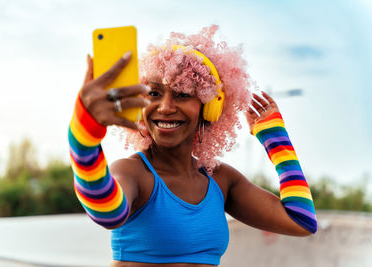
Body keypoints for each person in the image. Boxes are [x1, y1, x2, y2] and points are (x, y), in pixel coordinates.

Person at [68, 26, 317, 266]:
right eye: (153, 94)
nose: (165, 107)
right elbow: (107, 213)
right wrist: (84, 134)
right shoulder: (133, 173)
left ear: (209, 108)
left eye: (182, 94)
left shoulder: (221, 180)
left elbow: (301, 220)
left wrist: (275, 138)